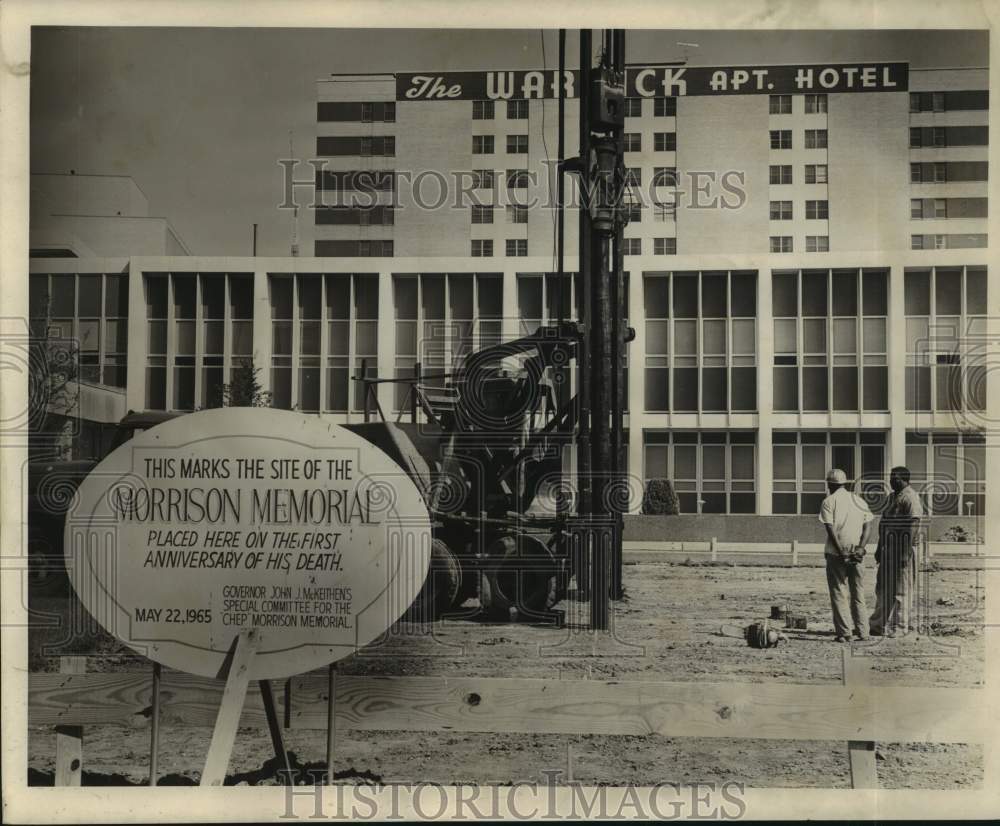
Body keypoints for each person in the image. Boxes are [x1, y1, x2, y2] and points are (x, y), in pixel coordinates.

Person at [818, 468, 875, 643]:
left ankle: (844, 633)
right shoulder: (859, 500)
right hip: (856, 553)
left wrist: (840, 550)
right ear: (845, 483)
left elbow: (830, 528)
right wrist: (860, 548)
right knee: (858, 592)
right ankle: (863, 631)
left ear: (829, 484)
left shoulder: (829, 502)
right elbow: (868, 526)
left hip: (837, 554)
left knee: (838, 591)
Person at [869, 466, 924, 637]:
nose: (891, 481)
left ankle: (899, 627)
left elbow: (913, 524)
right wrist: (879, 547)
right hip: (888, 548)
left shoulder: (911, 497)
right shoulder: (892, 497)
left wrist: (905, 552)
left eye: (895, 478)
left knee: (901, 589)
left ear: (904, 479)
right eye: (891, 477)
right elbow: (883, 523)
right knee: (883, 587)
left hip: (903, 547)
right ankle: (878, 625)